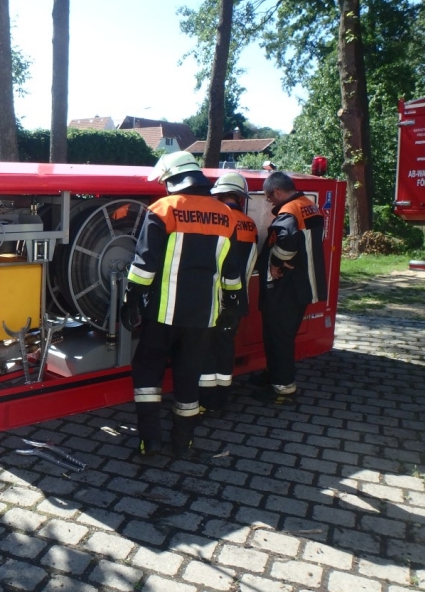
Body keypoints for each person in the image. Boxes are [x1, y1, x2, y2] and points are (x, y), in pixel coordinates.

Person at [121, 151, 242, 458]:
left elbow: (144, 265)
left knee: (148, 373)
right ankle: (183, 441)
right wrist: (231, 306)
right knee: (189, 376)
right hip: (204, 317)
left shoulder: (163, 209)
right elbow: (231, 273)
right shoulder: (227, 216)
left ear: (172, 180)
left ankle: (150, 441)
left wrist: (130, 298)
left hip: (162, 314)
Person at [254, 171, 327, 402]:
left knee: (279, 337)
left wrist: (276, 262)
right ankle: (273, 374)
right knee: (281, 334)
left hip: (287, 287)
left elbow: (286, 241)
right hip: (305, 284)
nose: (270, 202)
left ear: (277, 192)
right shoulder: (310, 206)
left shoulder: (288, 212)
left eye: (268, 197)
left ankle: (283, 388)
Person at [198, 172, 259, 416]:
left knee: (205, 350)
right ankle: (221, 398)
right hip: (237, 299)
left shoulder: (217, 220)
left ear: (219, 194)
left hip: (213, 299)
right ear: (239, 197)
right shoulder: (250, 224)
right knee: (225, 348)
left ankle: (204, 400)